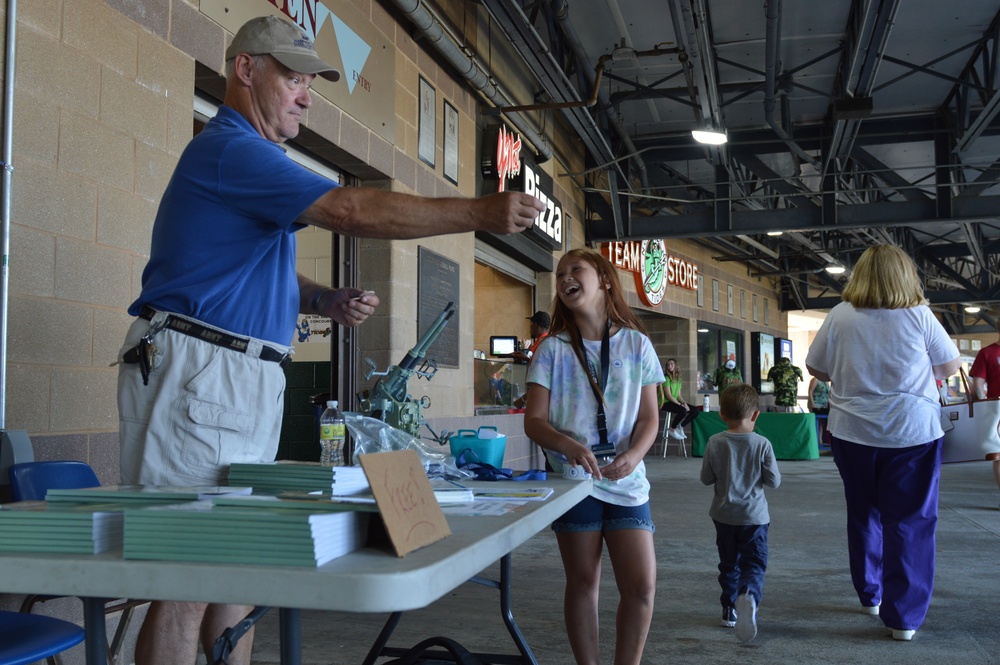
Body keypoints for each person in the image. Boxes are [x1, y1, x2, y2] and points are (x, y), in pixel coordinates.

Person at [115, 15, 545, 665]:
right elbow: (347, 211)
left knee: (236, 570)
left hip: (242, 374)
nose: (306, 94)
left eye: (310, 81)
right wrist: (478, 215)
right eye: (293, 76)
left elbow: (251, 269)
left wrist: (321, 299)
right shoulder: (233, 147)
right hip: (204, 371)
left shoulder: (255, 160)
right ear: (245, 69)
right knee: (189, 576)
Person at [805, 244, 960, 642]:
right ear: (905, 276)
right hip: (912, 433)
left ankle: (869, 594)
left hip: (853, 432)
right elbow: (947, 365)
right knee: (911, 521)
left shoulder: (840, 315)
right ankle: (903, 618)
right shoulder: (920, 315)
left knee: (863, 513)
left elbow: (815, 367)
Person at [523, 248, 662, 665]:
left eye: (575, 270)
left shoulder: (637, 344)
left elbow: (650, 418)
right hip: (574, 481)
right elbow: (534, 421)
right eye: (560, 273)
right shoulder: (551, 351)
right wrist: (569, 446)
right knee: (583, 583)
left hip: (626, 481)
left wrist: (635, 455)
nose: (565, 277)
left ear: (603, 279)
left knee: (641, 588)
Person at [700, 383, 781, 643]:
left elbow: (706, 478)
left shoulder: (714, 442)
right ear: (756, 414)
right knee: (754, 563)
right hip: (754, 517)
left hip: (723, 516)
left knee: (728, 564)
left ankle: (729, 609)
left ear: (721, 414)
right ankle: (748, 595)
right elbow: (773, 481)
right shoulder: (763, 444)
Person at [968, 321, 1000, 509]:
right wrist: (982, 405)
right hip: (997, 409)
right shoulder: (987, 353)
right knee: (998, 454)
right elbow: (978, 383)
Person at [658, 357, 699, 440]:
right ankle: (672, 429)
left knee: (695, 411)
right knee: (682, 410)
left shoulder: (678, 379)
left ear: (676, 366)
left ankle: (680, 427)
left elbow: (679, 395)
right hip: (665, 403)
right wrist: (681, 405)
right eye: (668, 365)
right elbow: (669, 396)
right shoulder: (666, 378)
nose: (669, 366)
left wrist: (685, 404)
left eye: (671, 364)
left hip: (674, 401)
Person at [808, 376, 831, 443]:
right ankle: (814, 440)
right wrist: (813, 405)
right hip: (816, 404)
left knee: (821, 423)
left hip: (824, 405)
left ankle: (820, 440)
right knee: (815, 422)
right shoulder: (815, 379)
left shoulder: (826, 382)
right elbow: (810, 392)